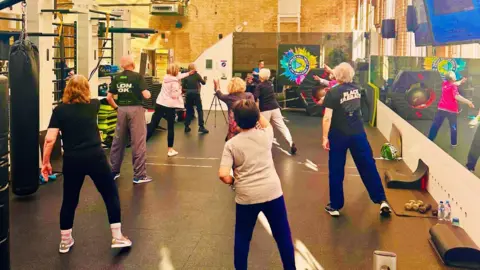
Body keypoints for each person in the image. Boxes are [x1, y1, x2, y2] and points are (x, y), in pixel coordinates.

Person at [41, 75, 132, 254]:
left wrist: (45, 163)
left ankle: (65, 241)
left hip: (72, 160)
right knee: (110, 194)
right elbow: (108, 98)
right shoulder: (93, 105)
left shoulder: (59, 110)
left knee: (69, 200)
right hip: (95, 157)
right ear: (86, 89)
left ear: (67, 90)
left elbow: (50, 139)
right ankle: (118, 237)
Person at [218, 99, 296, 269]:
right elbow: (264, 121)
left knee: (242, 238)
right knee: (283, 236)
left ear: (235, 120)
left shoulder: (231, 144)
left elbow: (223, 174)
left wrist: (233, 182)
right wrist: (254, 110)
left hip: (247, 196)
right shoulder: (267, 134)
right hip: (272, 192)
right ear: (255, 117)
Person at [322, 62, 391, 217]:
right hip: (358, 134)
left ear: (337, 76)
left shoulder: (332, 93)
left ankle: (335, 206)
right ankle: (382, 200)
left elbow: (327, 118)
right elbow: (344, 77)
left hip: (338, 135)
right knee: (368, 166)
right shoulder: (359, 89)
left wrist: (324, 137)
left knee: (336, 169)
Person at [107, 55, 153, 184]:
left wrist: (117, 108)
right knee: (138, 142)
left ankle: (113, 171)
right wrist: (149, 94)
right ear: (132, 64)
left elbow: (109, 97)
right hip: (136, 110)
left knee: (118, 142)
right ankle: (139, 175)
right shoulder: (138, 77)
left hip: (121, 109)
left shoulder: (117, 77)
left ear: (122, 65)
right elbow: (146, 95)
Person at [147, 63, 194, 157]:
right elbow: (174, 96)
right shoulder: (175, 83)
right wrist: (180, 90)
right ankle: (170, 149)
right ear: (175, 71)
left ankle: (140, 145)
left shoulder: (166, 78)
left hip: (160, 103)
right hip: (169, 106)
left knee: (153, 124)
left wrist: (189, 73)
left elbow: (179, 76)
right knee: (171, 127)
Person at [254, 68, 297, 155]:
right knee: (282, 126)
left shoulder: (259, 86)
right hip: (275, 107)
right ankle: (290, 142)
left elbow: (255, 97)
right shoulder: (270, 84)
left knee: (263, 128)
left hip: (265, 109)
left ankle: (262, 146)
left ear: (260, 76)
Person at [428, 71, 472, 147]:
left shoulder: (444, 84)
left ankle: (429, 139)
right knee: (453, 127)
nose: (455, 75)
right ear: (452, 78)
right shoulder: (453, 86)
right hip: (451, 111)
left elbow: (455, 83)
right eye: (454, 75)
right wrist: (468, 102)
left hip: (441, 108)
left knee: (435, 125)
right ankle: (453, 143)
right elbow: (457, 96)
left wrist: (461, 81)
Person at [183, 63, 209, 134]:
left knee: (188, 110)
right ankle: (201, 127)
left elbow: (183, 87)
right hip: (196, 94)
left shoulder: (186, 76)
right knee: (199, 110)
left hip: (188, 94)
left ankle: (186, 126)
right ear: (194, 68)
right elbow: (203, 83)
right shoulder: (197, 75)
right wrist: (205, 79)